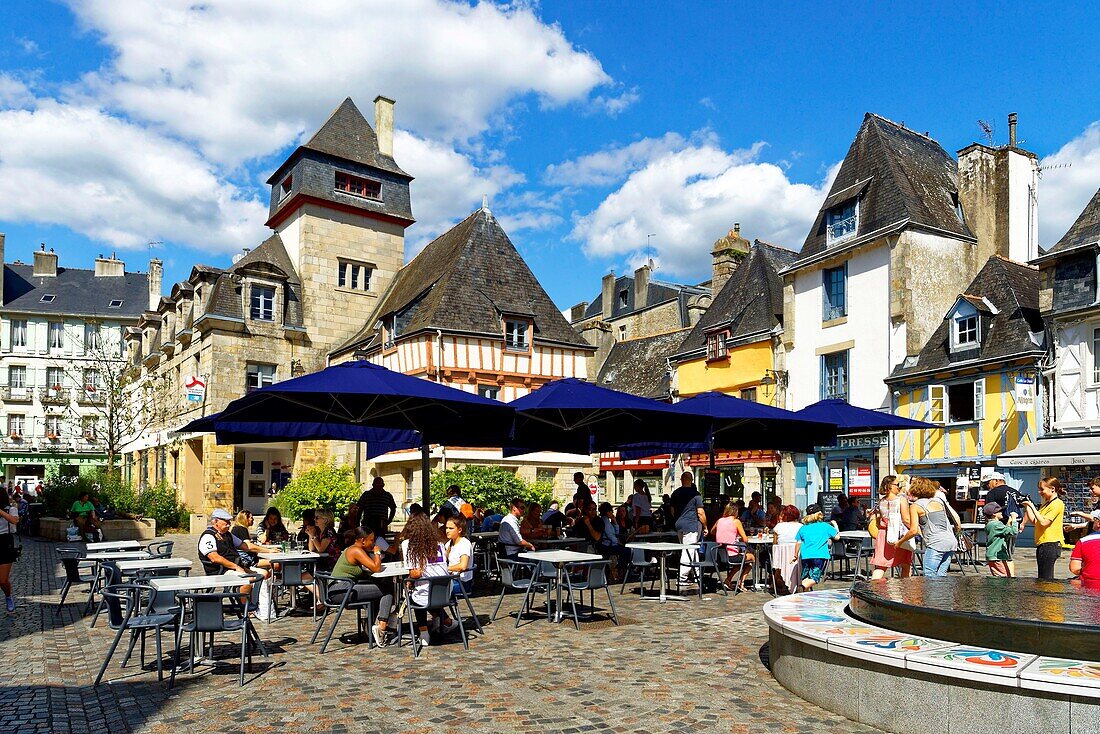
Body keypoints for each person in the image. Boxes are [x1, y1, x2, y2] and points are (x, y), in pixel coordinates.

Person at [331, 528, 397, 647]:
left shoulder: (355, 549)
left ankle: (370, 625)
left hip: (341, 588)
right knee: (386, 589)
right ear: (362, 540)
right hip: (341, 591)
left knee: (379, 590)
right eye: (371, 540)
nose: (373, 543)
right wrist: (377, 552)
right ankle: (381, 628)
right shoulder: (356, 550)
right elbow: (376, 568)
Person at [197, 508, 274, 605]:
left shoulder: (227, 535)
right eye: (226, 521)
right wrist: (236, 567)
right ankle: (246, 609)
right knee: (247, 580)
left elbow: (246, 546)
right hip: (221, 571)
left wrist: (269, 551)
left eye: (229, 521)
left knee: (264, 574)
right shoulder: (208, 536)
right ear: (216, 521)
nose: (229, 523)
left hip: (235, 567)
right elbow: (215, 558)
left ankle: (262, 606)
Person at [401, 514, 451, 648]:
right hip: (445, 593)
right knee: (421, 590)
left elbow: (415, 573)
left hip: (426, 595)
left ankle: (424, 633)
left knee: (412, 595)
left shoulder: (408, 544)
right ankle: (445, 620)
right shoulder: (439, 543)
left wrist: (409, 579)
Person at [899, 477, 961, 577]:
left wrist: (899, 542)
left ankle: (933, 593)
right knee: (941, 575)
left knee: (930, 576)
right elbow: (955, 517)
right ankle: (945, 593)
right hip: (951, 542)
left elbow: (913, 530)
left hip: (936, 543)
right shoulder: (939, 501)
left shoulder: (916, 506)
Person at [1021, 476, 1066, 581]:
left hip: (1050, 543)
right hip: (1043, 543)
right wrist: (1027, 506)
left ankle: (1048, 597)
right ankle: (1043, 596)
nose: (1039, 492)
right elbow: (1035, 521)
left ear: (1052, 489)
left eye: (1042, 489)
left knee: (1046, 578)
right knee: (1042, 576)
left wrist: (1032, 506)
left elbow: (1044, 522)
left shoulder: (1057, 503)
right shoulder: (1046, 504)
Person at [871, 475, 913, 580]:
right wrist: (915, 530)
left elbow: (880, 517)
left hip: (883, 534)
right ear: (890, 486)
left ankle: (873, 589)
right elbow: (906, 519)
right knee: (905, 564)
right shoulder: (901, 500)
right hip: (898, 534)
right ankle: (905, 589)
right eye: (897, 484)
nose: (899, 487)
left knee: (881, 566)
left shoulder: (881, 501)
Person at [671, 471, 707, 586]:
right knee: (688, 551)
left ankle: (696, 575)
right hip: (691, 525)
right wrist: (705, 526)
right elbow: (700, 512)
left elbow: (672, 511)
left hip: (679, 525)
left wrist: (678, 519)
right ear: (691, 480)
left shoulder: (675, 493)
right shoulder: (696, 494)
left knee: (692, 549)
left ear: (681, 480)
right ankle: (682, 577)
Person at [794, 503, 838, 591]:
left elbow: (798, 542)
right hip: (819, 555)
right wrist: (835, 526)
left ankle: (804, 597)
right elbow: (837, 537)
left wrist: (795, 555)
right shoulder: (825, 526)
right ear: (819, 514)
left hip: (805, 555)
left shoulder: (803, 528)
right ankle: (801, 587)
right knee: (814, 578)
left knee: (805, 577)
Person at [982, 472, 1019, 576]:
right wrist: (1017, 520)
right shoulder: (1014, 492)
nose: (988, 486)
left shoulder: (992, 494)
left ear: (996, 481)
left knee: (1005, 558)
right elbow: (1026, 504)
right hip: (1005, 531)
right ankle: (1009, 578)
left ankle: (1009, 577)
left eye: (988, 483)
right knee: (1008, 557)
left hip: (1001, 534)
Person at [712, 501, 754, 592]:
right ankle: (741, 582)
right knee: (752, 558)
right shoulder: (736, 521)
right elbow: (745, 539)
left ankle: (728, 580)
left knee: (741, 561)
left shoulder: (719, 520)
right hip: (732, 555)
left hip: (720, 554)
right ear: (735, 511)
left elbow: (712, 531)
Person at [771, 505, 803, 595]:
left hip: (781, 559)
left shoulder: (779, 526)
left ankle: (776, 584)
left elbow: (775, 543)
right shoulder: (801, 526)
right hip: (798, 556)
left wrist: (780, 523)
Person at [983, 501, 1019, 577]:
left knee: (1002, 577)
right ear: (994, 514)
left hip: (994, 555)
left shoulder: (990, 524)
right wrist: (1014, 519)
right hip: (997, 557)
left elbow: (1004, 531)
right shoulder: (996, 524)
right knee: (1002, 579)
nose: (1002, 512)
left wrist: (1009, 522)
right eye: (1000, 511)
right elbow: (1013, 532)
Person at [0, 485, 20, 612]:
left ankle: (8, 596)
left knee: (2, 580)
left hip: (4, 542)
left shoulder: (11, 509)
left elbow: (14, 521)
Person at [1068, 510, 1100, 590]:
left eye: (1094, 519)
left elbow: (1074, 568)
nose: (1092, 521)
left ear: (1099, 523)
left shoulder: (1083, 541)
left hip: (1091, 587)